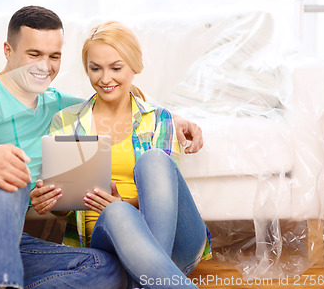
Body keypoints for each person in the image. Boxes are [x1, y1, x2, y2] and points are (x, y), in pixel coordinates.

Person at [0, 6, 203, 289]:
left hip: (1, 243)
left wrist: (174, 118)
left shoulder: (60, 107)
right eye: (34, 54)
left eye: (54, 56)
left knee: (106, 269)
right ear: (8, 51)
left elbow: (115, 98)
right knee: (7, 170)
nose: (44, 67)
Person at [30, 21, 211, 289]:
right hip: (107, 249)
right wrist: (51, 201)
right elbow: (62, 209)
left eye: (116, 68)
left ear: (135, 67)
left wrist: (123, 202)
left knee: (154, 161)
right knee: (115, 215)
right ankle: (152, 282)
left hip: (174, 248)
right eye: (95, 68)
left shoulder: (160, 119)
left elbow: (165, 197)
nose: (105, 79)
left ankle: (147, 276)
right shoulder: (66, 123)